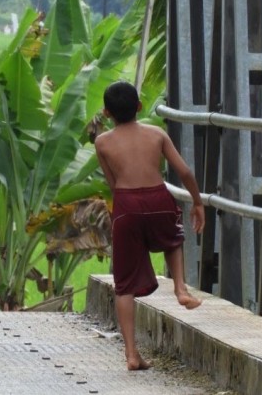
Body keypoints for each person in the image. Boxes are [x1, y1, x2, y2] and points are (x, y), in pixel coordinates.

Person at [94, 81, 205, 371]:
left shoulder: (102, 142)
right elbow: (184, 171)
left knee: (124, 285)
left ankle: (132, 354)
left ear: (106, 113)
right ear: (140, 107)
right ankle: (180, 287)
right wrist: (197, 202)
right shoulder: (157, 134)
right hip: (157, 196)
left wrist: (123, 212)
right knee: (172, 238)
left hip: (126, 203)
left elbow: (112, 182)